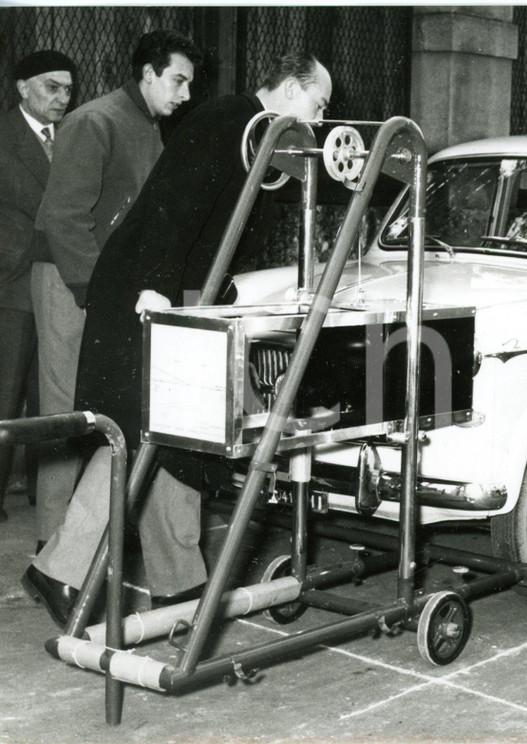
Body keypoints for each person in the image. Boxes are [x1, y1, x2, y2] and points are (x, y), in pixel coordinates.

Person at [22, 51, 333, 627]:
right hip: (147, 291)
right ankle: (68, 569)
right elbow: (170, 209)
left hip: (179, 291)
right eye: (318, 104)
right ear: (290, 89)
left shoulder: (261, 139)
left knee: (171, 434)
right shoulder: (225, 123)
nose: (319, 118)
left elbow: (226, 229)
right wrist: (157, 289)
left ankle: (168, 582)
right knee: (146, 430)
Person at [27, 30, 199, 557]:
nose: (186, 94)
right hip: (70, 281)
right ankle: (52, 546)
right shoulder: (95, 121)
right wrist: (96, 293)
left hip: (110, 286)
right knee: (67, 412)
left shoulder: (146, 126)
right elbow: (62, 218)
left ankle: (84, 543)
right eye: (178, 80)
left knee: (110, 409)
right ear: (148, 74)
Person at [0, 51, 76, 522]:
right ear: (22, 88)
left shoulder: (73, 136)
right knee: (6, 391)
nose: (62, 99)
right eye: (52, 87)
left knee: (48, 394)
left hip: (58, 280)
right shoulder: (4, 135)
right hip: (10, 282)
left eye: (68, 90)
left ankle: (42, 494)